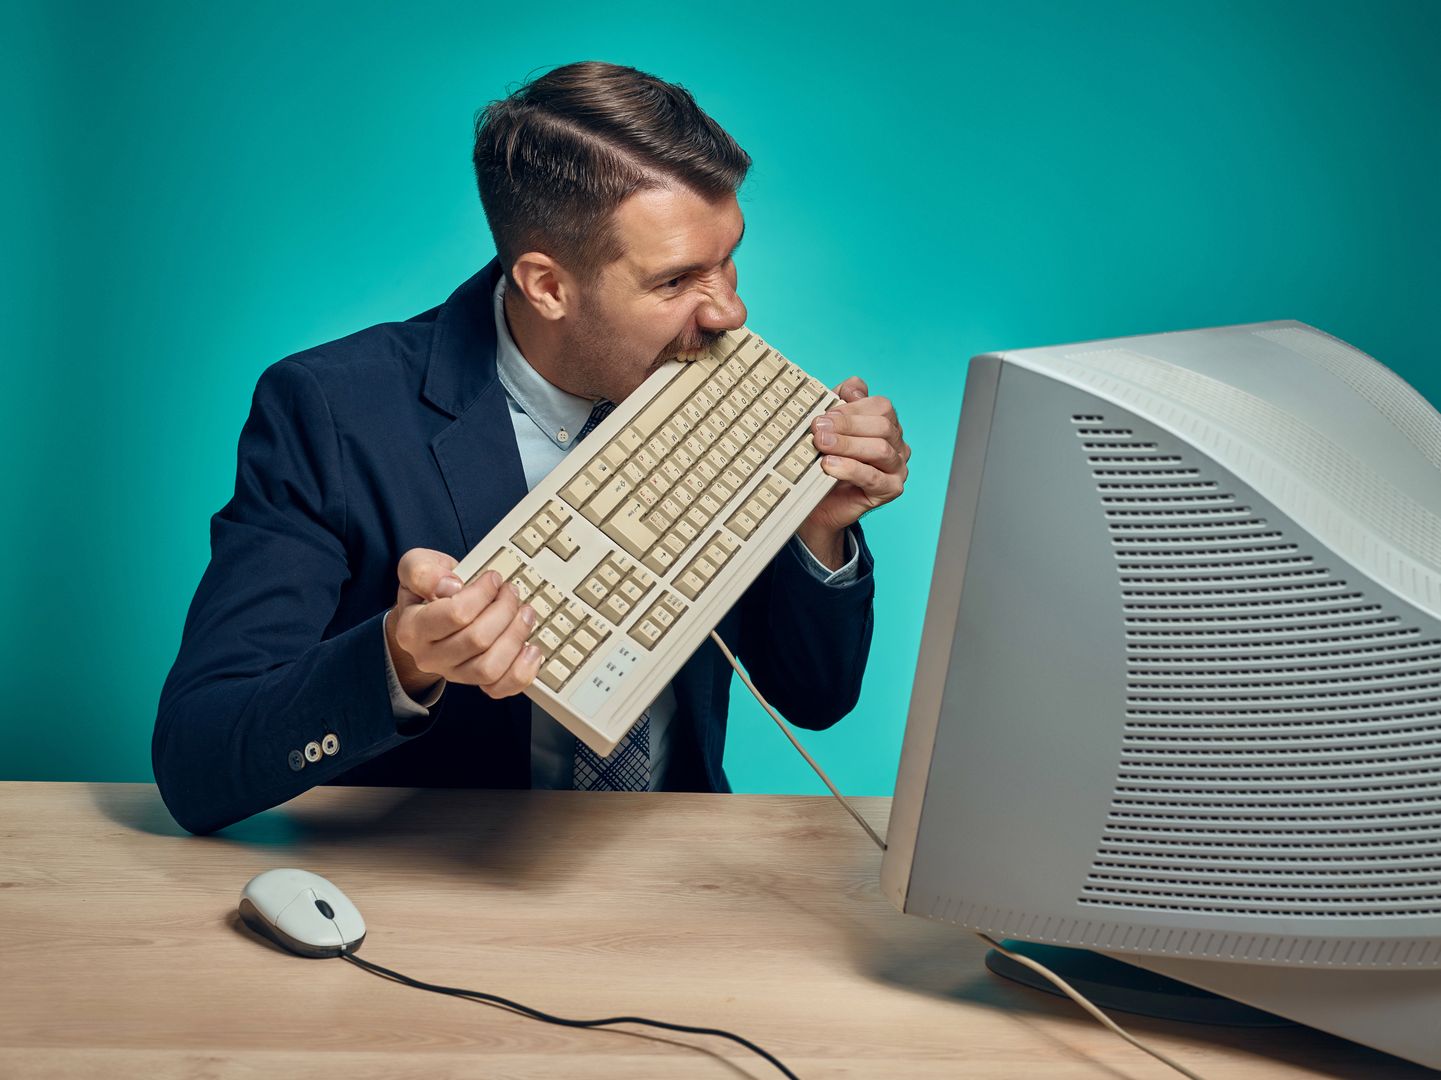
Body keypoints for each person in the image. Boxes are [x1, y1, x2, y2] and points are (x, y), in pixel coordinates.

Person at [154, 61, 910, 835]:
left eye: (728, 258)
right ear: (546, 285)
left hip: (675, 869)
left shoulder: (711, 373)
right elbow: (197, 759)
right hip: (439, 884)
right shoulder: (331, 412)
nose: (731, 310)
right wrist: (401, 659)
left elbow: (815, 701)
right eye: (678, 279)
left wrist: (821, 526)